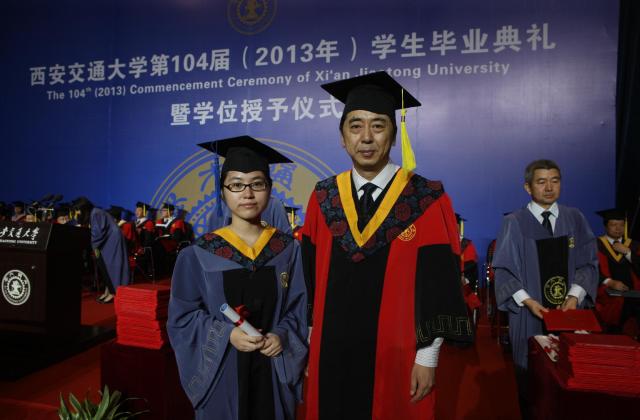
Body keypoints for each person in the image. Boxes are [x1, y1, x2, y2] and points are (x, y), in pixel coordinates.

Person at [301, 72, 472, 420]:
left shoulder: (424, 198)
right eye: (355, 126)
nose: (366, 137)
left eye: (378, 126)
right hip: (331, 351)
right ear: (342, 138)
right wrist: (309, 344)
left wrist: (427, 357)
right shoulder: (323, 197)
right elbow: (308, 279)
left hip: (398, 354)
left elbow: (440, 284)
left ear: (393, 135)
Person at [168, 136, 308, 420]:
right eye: (236, 184)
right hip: (222, 374)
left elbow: (299, 308)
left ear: (269, 190)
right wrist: (226, 335)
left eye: (257, 184)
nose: (247, 193)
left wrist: (282, 335)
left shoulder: (288, 250)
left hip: (272, 369)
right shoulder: (198, 254)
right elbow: (182, 318)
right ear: (223, 192)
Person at [493, 159, 598, 417]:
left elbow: (588, 262)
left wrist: (574, 296)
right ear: (528, 187)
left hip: (569, 314)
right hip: (529, 315)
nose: (549, 188)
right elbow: (504, 269)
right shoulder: (515, 222)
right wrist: (528, 301)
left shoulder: (575, 218)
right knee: (531, 384)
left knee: (570, 381)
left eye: (555, 181)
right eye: (541, 182)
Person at [73, 197, 131, 303]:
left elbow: (98, 233)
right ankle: (108, 291)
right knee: (105, 268)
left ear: (83, 208)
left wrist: (90, 244)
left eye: (78, 210)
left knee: (110, 267)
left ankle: (114, 292)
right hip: (107, 240)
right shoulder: (94, 212)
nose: (77, 212)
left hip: (111, 241)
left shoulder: (96, 213)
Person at [593, 208, 640, 333]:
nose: (618, 228)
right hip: (608, 296)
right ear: (606, 226)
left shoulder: (634, 246)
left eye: (621, 225)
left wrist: (628, 253)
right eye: (613, 224)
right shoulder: (595, 245)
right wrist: (609, 282)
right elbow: (590, 270)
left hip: (634, 296)